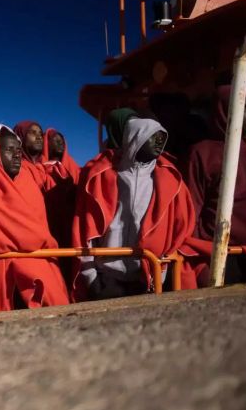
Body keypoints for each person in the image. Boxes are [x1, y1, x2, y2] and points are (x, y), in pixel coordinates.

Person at [71, 119, 195, 300]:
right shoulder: (101, 177)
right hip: (106, 278)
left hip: (148, 277)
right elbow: (85, 232)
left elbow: (178, 231)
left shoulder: (171, 180)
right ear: (136, 138)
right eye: (154, 136)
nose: (160, 141)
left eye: (163, 137)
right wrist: (92, 282)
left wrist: (159, 277)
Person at [0, 124, 69, 311]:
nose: (17, 155)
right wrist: (29, 240)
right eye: (9, 150)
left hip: (38, 266)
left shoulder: (29, 185)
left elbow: (41, 231)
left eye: (18, 150)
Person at [181, 86, 246, 285]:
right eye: (245, 106)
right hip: (221, 255)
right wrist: (198, 259)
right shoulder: (203, 152)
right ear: (225, 111)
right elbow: (192, 206)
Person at [41, 128, 81, 248]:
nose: (60, 143)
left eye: (62, 141)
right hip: (50, 223)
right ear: (46, 143)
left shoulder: (73, 166)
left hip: (72, 221)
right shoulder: (39, 167)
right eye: (55, 140)